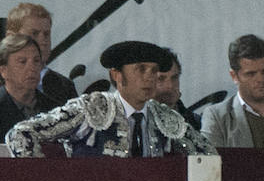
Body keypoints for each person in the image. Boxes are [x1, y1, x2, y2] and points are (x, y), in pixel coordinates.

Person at [5, 40, 216, 158]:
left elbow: (209, 157)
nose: (148, 77)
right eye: (140, 69)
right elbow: (20, 134)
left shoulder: (166, 118)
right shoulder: (90, 108)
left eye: (153, 71)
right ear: (117, 75)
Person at [4, 2, 76, 105]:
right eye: (34, 34)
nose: (43, 41)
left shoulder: (65, 86)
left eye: (46, 34)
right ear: (11, 37)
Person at [0, 33, 53, 136]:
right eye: (22, 62)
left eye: (36, 61)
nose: (32, 68)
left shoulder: (55, 108)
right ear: (3, 71)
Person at [155, 48, 201, 130]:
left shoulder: (197, 123)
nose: (170, 85)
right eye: (161, 79)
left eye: (174, 78)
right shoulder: (135, 123)